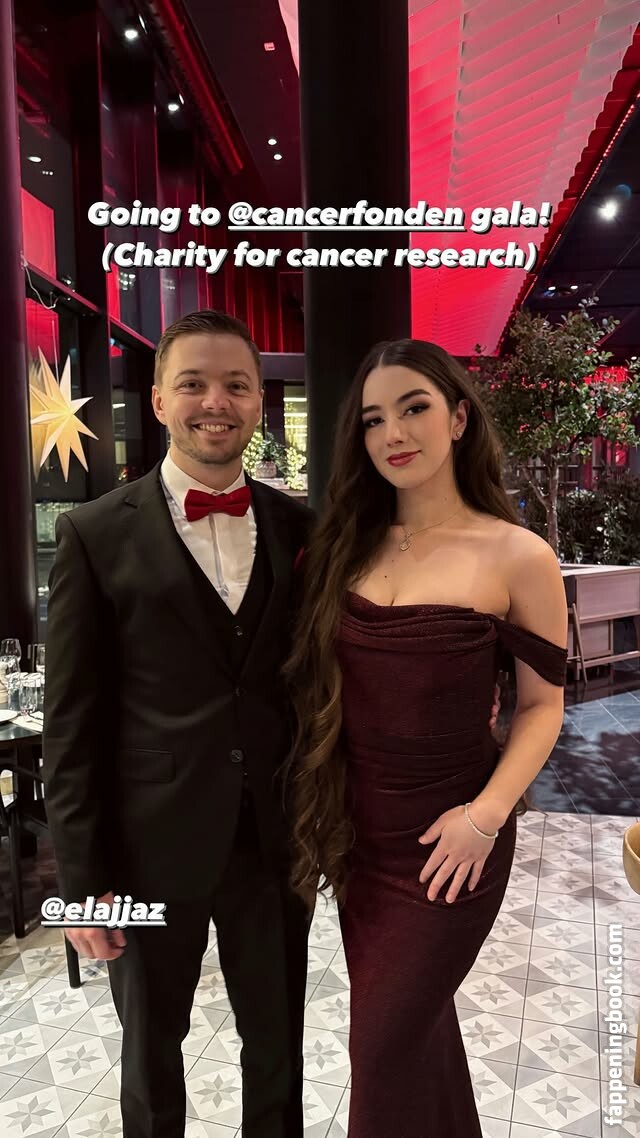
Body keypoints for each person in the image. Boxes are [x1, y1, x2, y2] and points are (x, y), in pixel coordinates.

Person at [284, 339, 568, 1138]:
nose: (394, 433)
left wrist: (487, 816)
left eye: (414, 408)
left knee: (380, 1049)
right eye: (374, 419)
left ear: (459, 417)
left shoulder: (517, 554)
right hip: (357, 838)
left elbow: (542, 706)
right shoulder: (342, 547)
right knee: (418, 1041)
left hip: (453, 844)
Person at [42, 310, 314, 1138]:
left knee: (279, 1049)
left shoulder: (300, 528)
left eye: (236, 385)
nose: (215, 402)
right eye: (193, 383)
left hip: (273, 844)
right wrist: (80, 886)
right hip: (145, 853)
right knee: (152, 1054)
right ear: (159, 400)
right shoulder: (93, 533)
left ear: (259, 402)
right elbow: (70, 726)